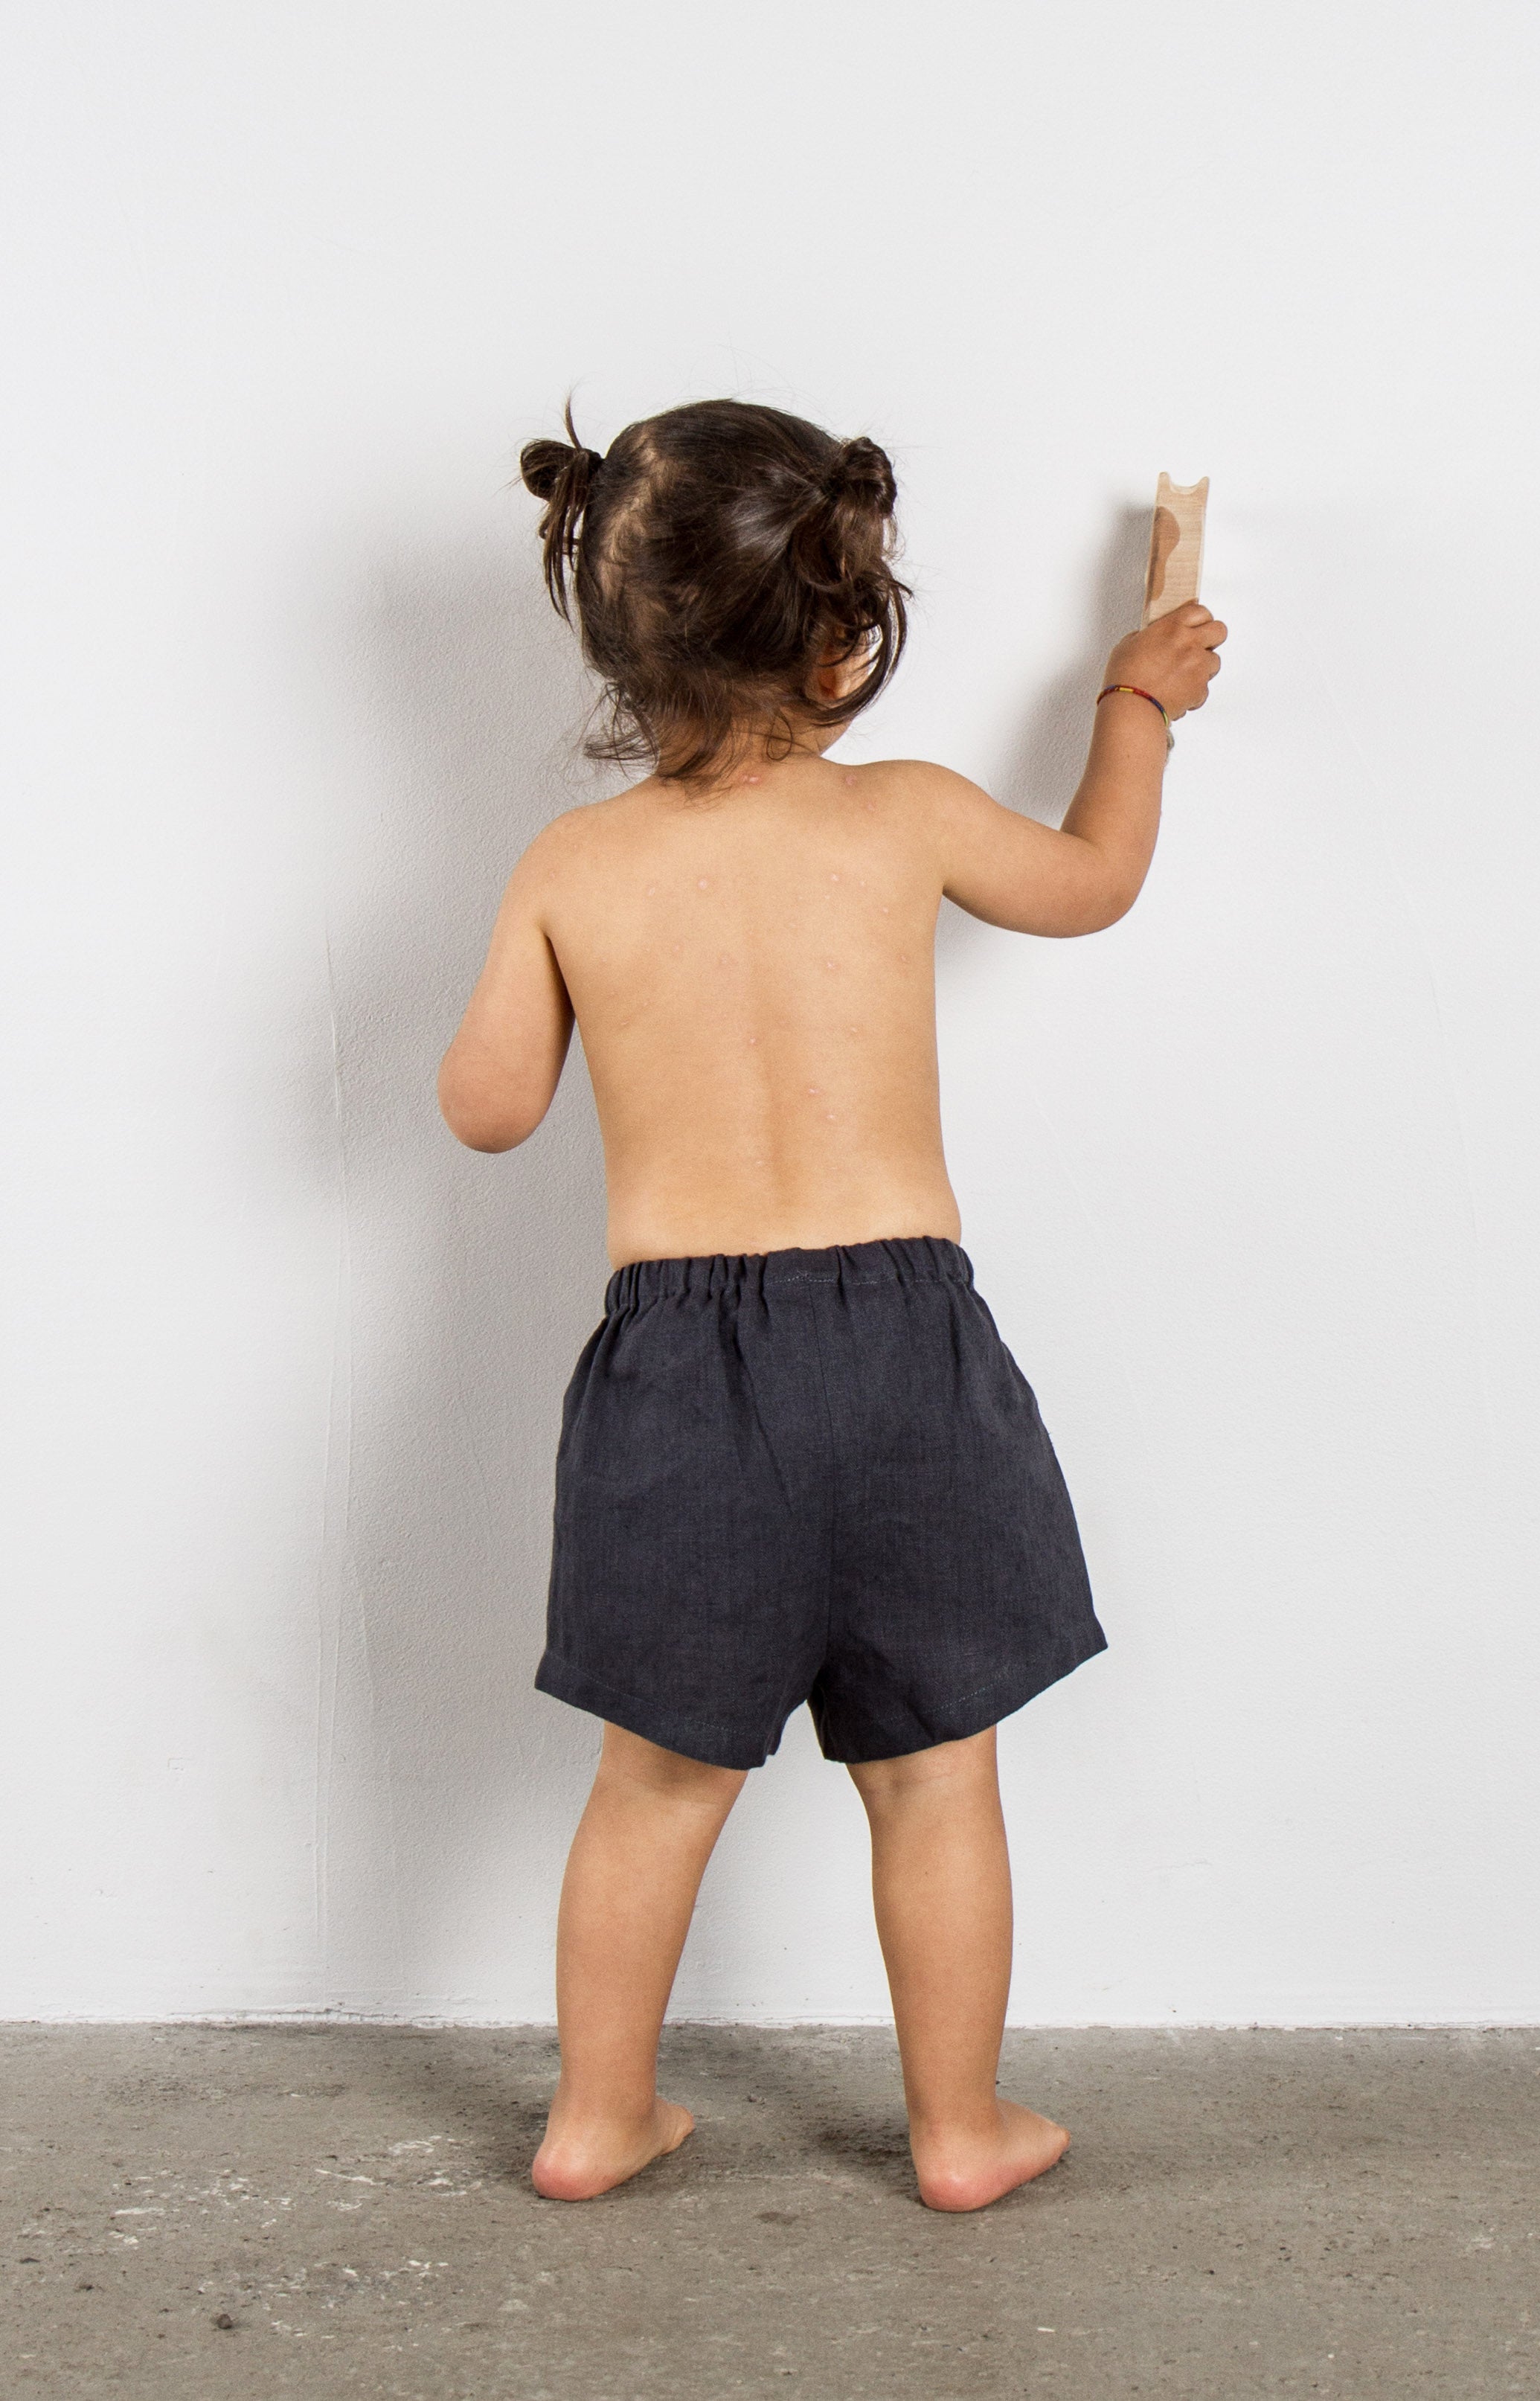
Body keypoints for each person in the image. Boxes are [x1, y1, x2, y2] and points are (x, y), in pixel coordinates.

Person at [438, 399, 1225, 2211]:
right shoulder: (906, 815)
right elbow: (1092, 883)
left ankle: (595, 2118)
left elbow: (486, 1112)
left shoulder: (572, 867)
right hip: (903, 1354)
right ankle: (958, 2130)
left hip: (678, 1376)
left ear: (612, 639)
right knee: (934, 1776)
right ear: (844, 628)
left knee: (654, 1787)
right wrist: (1133, 701)